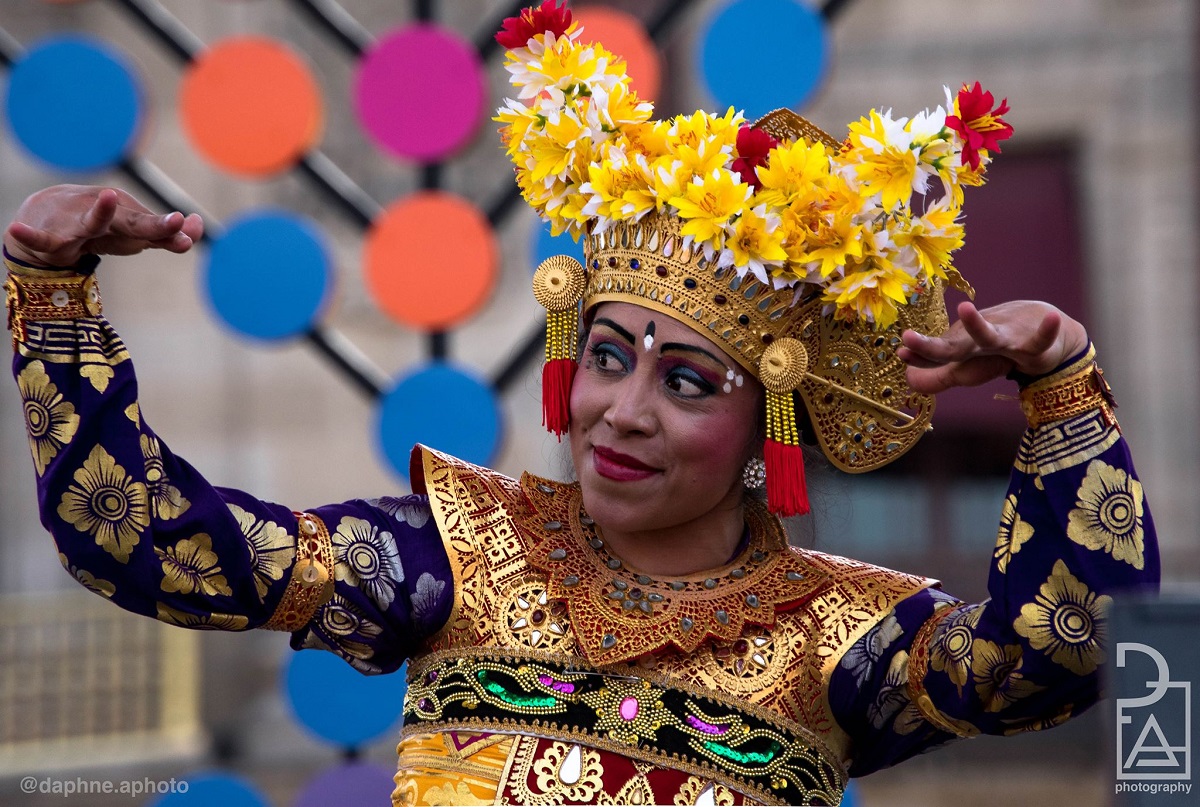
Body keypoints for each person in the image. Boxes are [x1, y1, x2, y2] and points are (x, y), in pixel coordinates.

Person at [3, 5, 1158, 805]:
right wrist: (51, 302)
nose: (623, 411)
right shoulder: (453, 558)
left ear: (772, 426)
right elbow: (142, 540)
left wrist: (1060, 391)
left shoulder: (845, 637)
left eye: (689, 382)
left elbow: (1066, 656)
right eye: (607, 358)